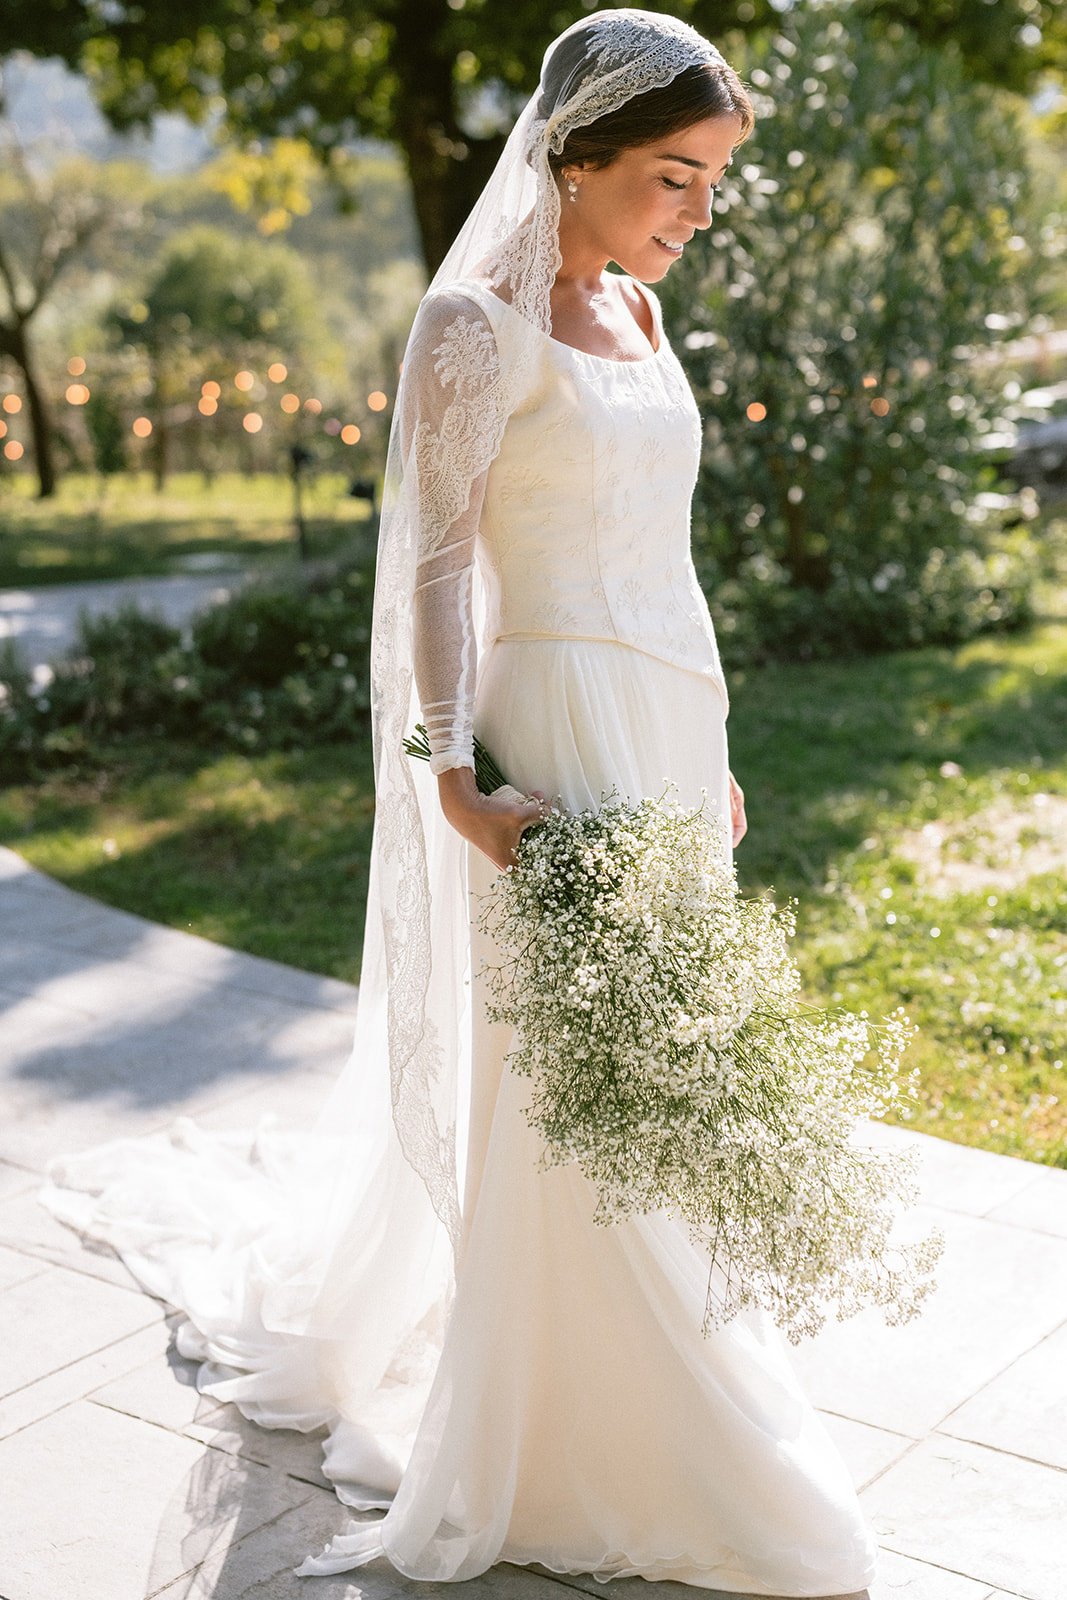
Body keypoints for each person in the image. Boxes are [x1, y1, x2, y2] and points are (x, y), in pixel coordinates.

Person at [45, 11, 876, 1594]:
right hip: (548, 735)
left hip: (664, 736)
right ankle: (582, 1439)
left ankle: (673, 1376)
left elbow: (660, 550)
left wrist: (710, 755)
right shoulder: (470, 328)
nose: (697, 211)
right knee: (572, 1090)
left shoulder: (635, 306)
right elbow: (437, 561)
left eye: (712, 181)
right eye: (672, 177)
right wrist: (453, 774)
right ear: (574, 157)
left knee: (665, 1073)